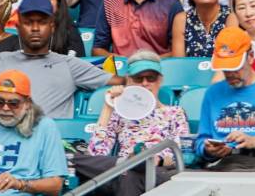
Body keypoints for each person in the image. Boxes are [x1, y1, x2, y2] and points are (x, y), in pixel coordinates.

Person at [0, 0, 109, 119]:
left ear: (52, 27)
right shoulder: (0, 60)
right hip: (7, 135)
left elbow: (120, 81)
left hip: (51, 136)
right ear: (18, 27)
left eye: (41, 22)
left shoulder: (69, 64)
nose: (35, 28)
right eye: (29, 22)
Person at [77, 51, 188, 196]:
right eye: (138, 78)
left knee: (130, 174)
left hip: (159, 171)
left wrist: (156, 160)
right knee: (125, 172)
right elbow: (96, 154)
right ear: (129, 81)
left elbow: (182, 154)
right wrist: (107, 107)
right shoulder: (119, 114)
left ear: (160, 81)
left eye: (151, 78)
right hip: (122, 170)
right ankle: (127, 163)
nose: (145, 83)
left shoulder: (175, 113)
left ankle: (131, 163)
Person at [195, 26, 255, 163]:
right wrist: (208, 149)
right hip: (220, 165)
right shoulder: (212, 93)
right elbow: (201, 139)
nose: (230, 74)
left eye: (235, 67)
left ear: (251, 57)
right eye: (225, 68)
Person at [0, 70, 67, 195]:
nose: (5, 108)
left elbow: (56, 185)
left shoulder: (45, 127)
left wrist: (20, 184)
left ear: (27, 103)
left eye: (13, 103)